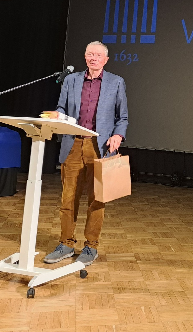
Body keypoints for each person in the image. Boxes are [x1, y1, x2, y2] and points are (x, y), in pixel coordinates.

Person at [42, 41, 128, 266]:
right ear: (85, 57)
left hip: (98, 147)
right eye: (90, 54)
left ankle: (91, 246)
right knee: (68, 198)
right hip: (72, 144)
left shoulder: (116, 82)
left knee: (96, 199)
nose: (93, 58)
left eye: (98, 55)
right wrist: (57, 115)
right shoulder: (71, 80)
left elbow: (122, 117)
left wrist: (118, 135)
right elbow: (62, 108)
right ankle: (66, 243)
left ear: (105, 60)